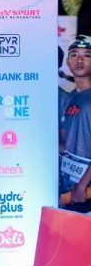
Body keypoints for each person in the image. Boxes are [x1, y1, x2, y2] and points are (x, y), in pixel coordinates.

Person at [60, 35, 91, 212]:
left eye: (86, 55)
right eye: (74, 55)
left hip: (85, 191)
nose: (79, 60)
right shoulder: (69, 98)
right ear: (68, 61)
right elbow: (66, 144)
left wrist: (82, 186)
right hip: (70, 189)